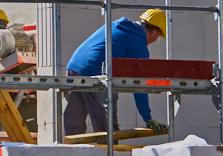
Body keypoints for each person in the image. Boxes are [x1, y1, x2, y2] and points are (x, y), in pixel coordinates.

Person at [63, 8, 165, 136]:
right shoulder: (138, 40)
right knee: (106, 129)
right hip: (96, 73)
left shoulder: (117, 26)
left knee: (73, 124)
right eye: (158, 36)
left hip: (73, 67)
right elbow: (139, 84)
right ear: (153, 32)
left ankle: (69, 154)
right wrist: (147, 117)